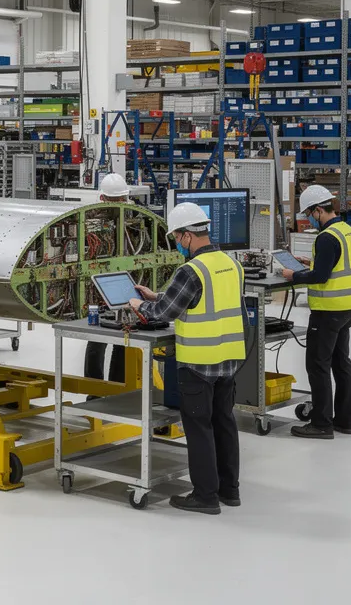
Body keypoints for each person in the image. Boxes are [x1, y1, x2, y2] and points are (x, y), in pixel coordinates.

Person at [129, 202, 245, 515]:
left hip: (198, 362)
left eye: (177, 238)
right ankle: (228, 491)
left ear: (186, 236)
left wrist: (140, 306)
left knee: (199, 429)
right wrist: (159, 295)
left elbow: (165, 313)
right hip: (229, 359)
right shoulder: (231, 263)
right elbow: (205, 300)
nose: (178, 244)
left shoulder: (190, 270)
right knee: (224, 422)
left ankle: (205, 496)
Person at [281, 185, 351, 439]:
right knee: (341, 364)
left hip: (328, 310)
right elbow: (335, 265)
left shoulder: (326, 238)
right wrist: (310, 262)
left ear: (318, 210)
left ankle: (321, 423)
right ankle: (345, 421)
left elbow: (321, 276)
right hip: (348, 308)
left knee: (318, 366)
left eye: (309, 214)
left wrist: (294, 275)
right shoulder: (346, 231)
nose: (309, 219)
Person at [85, 173, 133, 384]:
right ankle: (95, 390)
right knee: (97, 339)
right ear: (103, 198)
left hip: (126, 283)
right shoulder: (88, 219)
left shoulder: (135, 217)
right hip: (97, 287)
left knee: (123, 338)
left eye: (121, 200)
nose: (119, 204)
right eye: (115, 201)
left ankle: (115, 388)